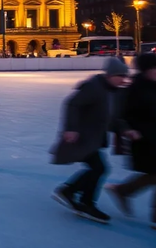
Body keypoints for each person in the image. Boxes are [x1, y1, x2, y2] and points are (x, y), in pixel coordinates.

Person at [49, 57, 130, 224]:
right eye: (120, 76)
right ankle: (83, 200)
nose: (124, 79)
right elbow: (72, 104)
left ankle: (70, 192)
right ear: (110, 75)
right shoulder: (94, 87)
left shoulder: (113, 91)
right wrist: (71, 128)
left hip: (93, 138)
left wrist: (124, 129)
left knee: (98, 168)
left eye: (125, 76)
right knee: (99, 168)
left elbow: (113, 117)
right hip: (82, 137)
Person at [105, 53, 156, 230]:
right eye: (155, 68)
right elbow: (119, 115)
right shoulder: (134, 89)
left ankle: (123, 191)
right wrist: (128, 130)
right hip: (143, 139)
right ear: (145, 70)